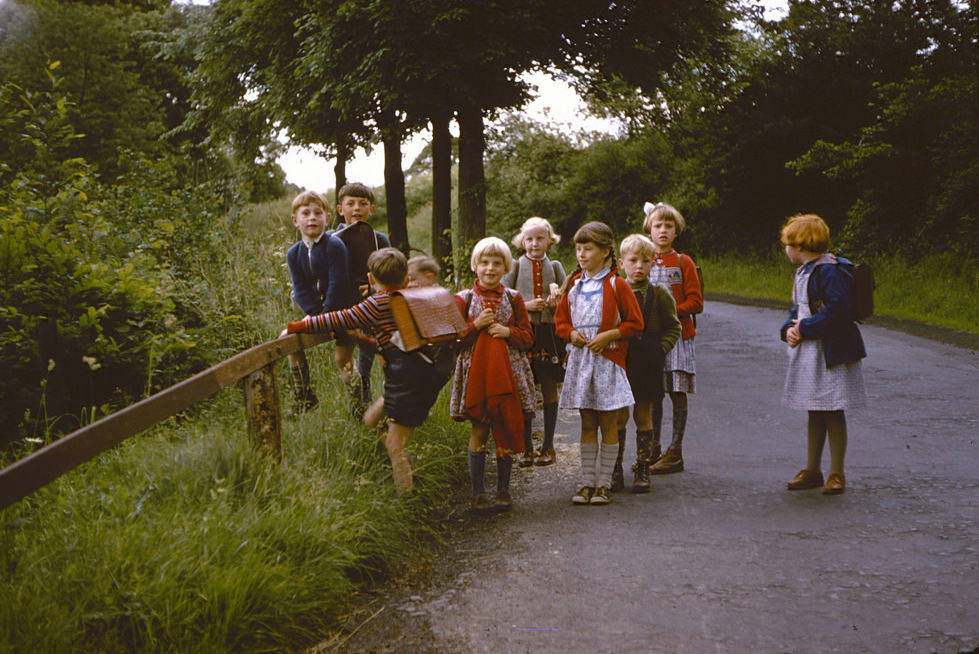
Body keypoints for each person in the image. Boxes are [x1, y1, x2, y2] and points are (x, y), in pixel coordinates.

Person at [285, 247, 451, 494]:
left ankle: (406, 499)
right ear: (405, 278)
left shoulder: (376, 303)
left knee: (395, 446)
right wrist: (365, 341)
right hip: (418, 374)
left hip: (406, 379)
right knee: (372, 419)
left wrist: (299, 325)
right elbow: (398, 341)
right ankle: (408, 467)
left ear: (371, 279)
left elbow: (337, 318)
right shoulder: (410, 296)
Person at [555, 221, 643, 506]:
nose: (582, 255)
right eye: (578, 249)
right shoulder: (575, 286)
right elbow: (560, 321)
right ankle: (585, 482)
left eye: (588, 249)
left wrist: (609, 336)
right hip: (582, 363)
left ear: (606, 251)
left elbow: (635, 323)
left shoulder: (617, 285)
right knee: (587, 421)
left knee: (609, 422)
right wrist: (570, 333)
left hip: (607, 362)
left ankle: (604, 483)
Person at [779, 214, 867, 495]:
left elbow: (838, 310)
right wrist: (788, 330)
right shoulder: (805, 270)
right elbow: (799, 308)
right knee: (814, 409)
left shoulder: (828, 270)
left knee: (832, 409)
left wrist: (804, 328)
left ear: (802, 244)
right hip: (811, 349)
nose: (786, 249)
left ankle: (836, 472)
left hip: (830, 351)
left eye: (788, 244)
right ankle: (812, 469)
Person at [450, 237, 536, 513]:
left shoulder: (514, 297)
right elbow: (452, 339)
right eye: (484, 263)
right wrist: (475, 325)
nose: (490, 268)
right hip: (476, 372)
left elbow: (528, 337)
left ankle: (503, 489)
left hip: (509, 374)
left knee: (505, 423)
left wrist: (508, 332)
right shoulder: (463, 299)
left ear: (506, 267)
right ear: (475, 266)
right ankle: (477, 493)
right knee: (479, 428)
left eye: (497, 263)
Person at [612, 234, 681, 493]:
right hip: (622, 356)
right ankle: (615, 468)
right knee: (619, 415)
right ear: (621, 263)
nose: (639, 266)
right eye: (633, 261)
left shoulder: (659, 292)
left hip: (648, 358)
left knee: (643, 414)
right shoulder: (616, 289)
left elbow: (674, 326)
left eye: (645, 261)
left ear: (654, 263)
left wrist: (661, 349)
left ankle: (643, 466)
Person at [502, 217, 567, 467]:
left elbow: (567, 296)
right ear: (521, 241)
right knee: (524, 387)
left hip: (549, 334)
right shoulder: (515, 266)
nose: (534, 243)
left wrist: (557, 300)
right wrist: (527, 305)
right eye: (529, 239)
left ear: (550, 240)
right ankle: (526, 447)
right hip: (523, 333)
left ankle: (548, 446)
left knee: (549, 385)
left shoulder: (557, 266)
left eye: (540, 238)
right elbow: (504, 297)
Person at [643, 202, 703, 474]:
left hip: (679, 336)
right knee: (653, 392)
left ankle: (675, 451)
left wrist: (667, 313)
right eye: (658, 226)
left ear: (676, 231)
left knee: (677, 391)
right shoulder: (642, 259)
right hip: (650, 338)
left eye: (669, 226)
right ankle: (652, 448)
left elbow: (696, 302)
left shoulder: (683, 261)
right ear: (649, 230)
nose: (663, 231)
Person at [281, 190, 351, 412]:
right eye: (306, 213)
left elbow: (338, 284)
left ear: (327, 218)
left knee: (343, 360)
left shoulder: (334, 245)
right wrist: (315, 316)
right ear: (295, 220)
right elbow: (300, 289)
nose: (312, 217)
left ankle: (358, 403)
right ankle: (304, 394)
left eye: (318, 213)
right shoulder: (294, 253)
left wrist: (327, 316)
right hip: (318, 314)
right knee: (287, 338)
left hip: (342, 310)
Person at [331, 182, 392, 411]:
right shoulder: (331, 238)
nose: (356, 208)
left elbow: (391, 273)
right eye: (351, 204)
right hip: (343, 307)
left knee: (372, 351)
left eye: (363, 204)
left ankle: (379, 405)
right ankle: (357, 403)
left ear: (371, 209)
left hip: (372, 305)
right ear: (340, 209)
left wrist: (375, 290)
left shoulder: (379, 240)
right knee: (344, 358)